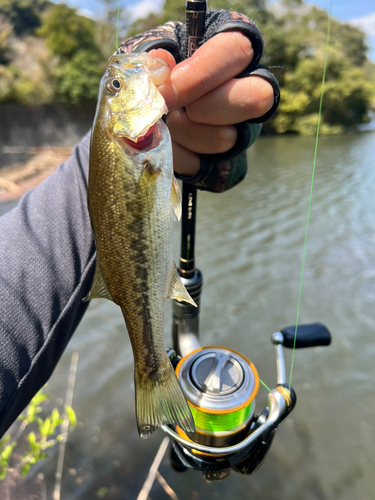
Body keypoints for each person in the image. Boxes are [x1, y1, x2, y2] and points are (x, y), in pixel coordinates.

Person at [0, 9, 279, 438]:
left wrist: (158, 51)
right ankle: (152, 376)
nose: (121, 82)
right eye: (117, 87)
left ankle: (151, 376)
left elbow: (96, 184)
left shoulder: (120, 144)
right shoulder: (122, 142)